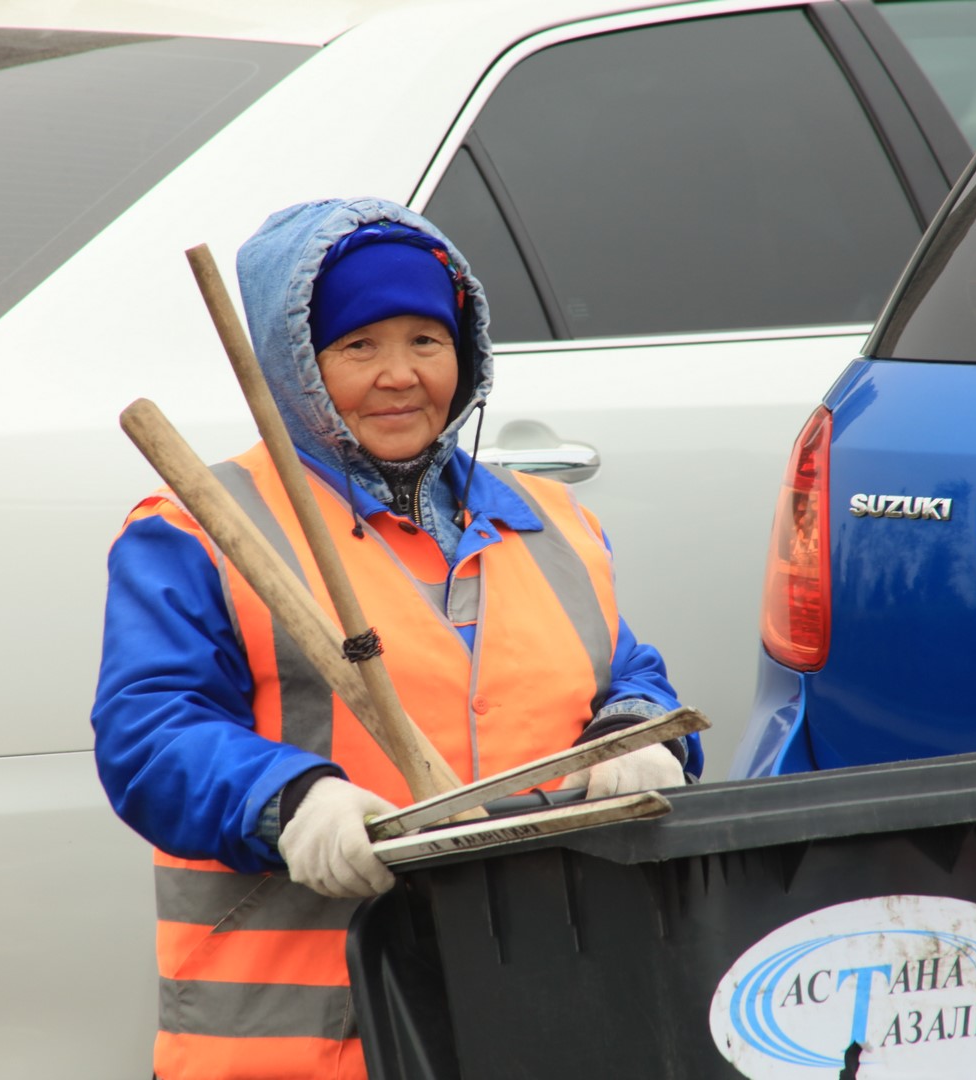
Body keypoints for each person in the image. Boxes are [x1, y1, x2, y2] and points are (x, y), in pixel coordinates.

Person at [91, 196, 702, 1080]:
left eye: (426, 339)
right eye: (358, 346)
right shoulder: (200, 528)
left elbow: (623, 670)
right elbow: (150, 734)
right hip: (309, 1047)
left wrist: (638, 736)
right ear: (295, 365)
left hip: (536, 1020)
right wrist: (292, 802)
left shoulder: (552, 520)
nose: (400, 375)